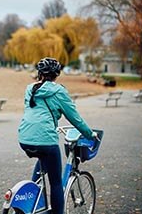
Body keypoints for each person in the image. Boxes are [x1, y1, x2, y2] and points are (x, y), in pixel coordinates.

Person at [18, 57, 95, 214]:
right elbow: (75, 118)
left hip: (24, 138)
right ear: (56, 74)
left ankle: (30, 200)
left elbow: (35, 114)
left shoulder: (29, 88)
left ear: (39, 73)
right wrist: (89, 134)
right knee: (56, 183)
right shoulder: (59, 91)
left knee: (42, 161)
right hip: (45, 139)